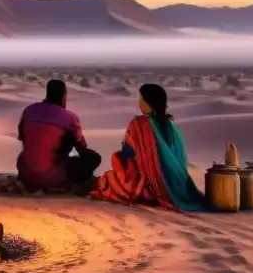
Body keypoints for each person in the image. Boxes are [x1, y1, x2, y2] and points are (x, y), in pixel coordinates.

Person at [89, 83, 208, 211]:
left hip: (148, 187)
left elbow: (128, 152)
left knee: (115, 162)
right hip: (175, 185)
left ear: (149, 101)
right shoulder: (170, 125)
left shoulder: (138, 124)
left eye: (142, 98)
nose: (139, 102)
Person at [16, 79, 101, 193]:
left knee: (25, 154)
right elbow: (82, 149)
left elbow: (22, 137)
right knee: (93, 158)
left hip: (25, 172)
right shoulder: (70, 118)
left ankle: (32, 179)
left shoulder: (29, 110)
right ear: (63, 96)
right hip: (54, 176)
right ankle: (78, 185)